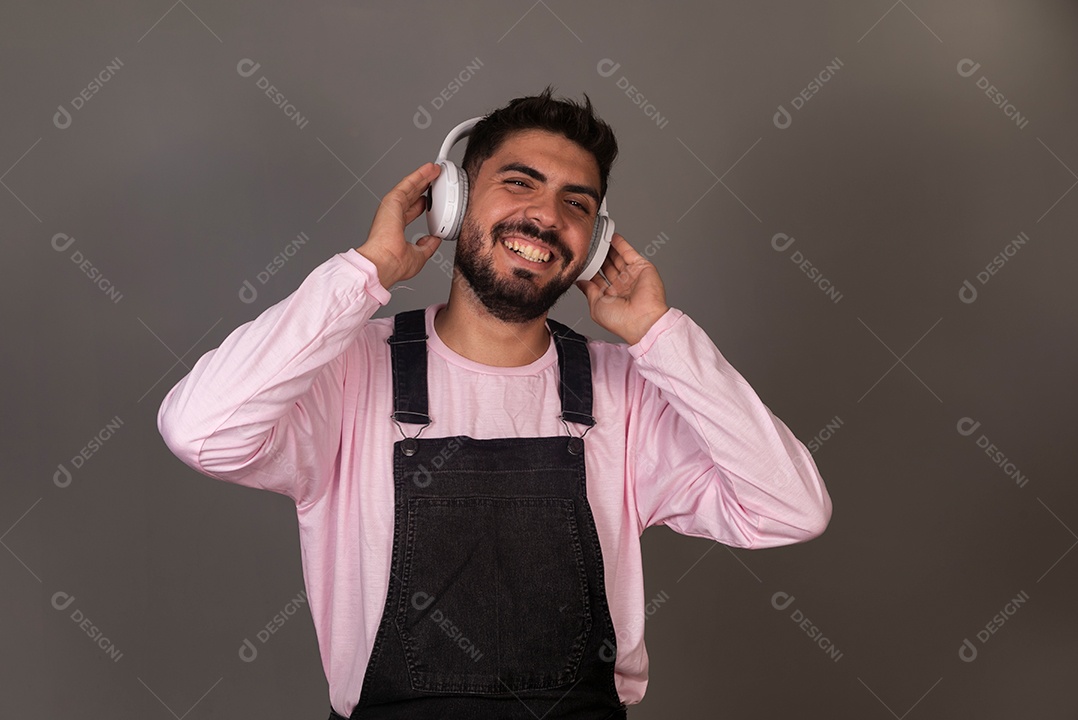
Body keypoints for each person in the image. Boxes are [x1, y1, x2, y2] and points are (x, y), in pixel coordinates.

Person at [157, 88, 831, 719]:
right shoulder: (348, 371)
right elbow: (200, 430)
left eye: (578, 203)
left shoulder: (628, 390)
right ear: (451, 203)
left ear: (594, 243)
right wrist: (362, 274)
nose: (547, 216)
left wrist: (664, 339)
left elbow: (791, 510)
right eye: (519, 183)